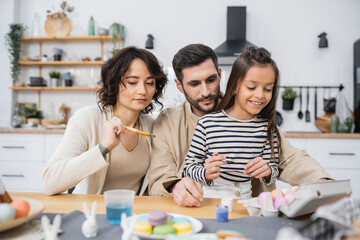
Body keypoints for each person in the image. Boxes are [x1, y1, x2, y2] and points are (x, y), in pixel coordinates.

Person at [148, 43, 331, 207]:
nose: (206, 91)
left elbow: (290, 159)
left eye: (211, 80)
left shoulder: (252, 114)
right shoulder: (167, 122)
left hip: (250, 212)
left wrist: (320, 180)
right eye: (194, 83)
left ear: (220, 75)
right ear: (179, 86)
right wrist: (175, 186)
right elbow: (159, 176)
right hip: (195, 213)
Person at [42, 46, 167, 195]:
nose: (143, 91)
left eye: (150, 83)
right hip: (92, 214)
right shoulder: (87, 119)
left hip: (134, 215)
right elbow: (50, 183)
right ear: (114, 82)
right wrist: (104, 147)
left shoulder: (152, 126)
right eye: (133, 82)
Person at [183, 47, 281, 199]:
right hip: (210, 200)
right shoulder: (207, 123)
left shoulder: (266, 127)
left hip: (246, 201)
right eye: (251, 87)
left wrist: (267, 172)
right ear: (235, 85)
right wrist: (205, 172)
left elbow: (274, 170)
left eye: (268, 89)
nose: (260, 95)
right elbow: (188, 167)